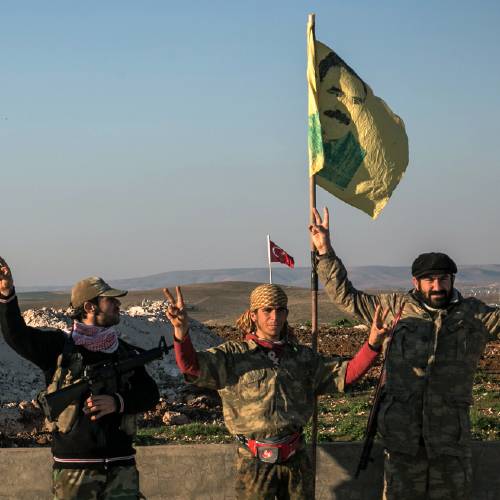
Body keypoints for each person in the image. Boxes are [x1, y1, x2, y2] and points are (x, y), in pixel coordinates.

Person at [309, 207, 500, 500]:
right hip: (402, 442)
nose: (437, 286)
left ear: (452, 280)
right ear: (416, 282)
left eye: (443, 279)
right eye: (430, 280)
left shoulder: (473, 315)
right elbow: (346, 296)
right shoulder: (393, 309)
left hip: (450, 441)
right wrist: (325, 252)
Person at [164, 283, 391, 499]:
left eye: (280, 310)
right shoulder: (233, 356)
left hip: (296, 461)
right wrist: (181, 332)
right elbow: (192, 367)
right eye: (267, 310)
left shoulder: (301, 357)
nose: (275, 317)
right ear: (253, 315)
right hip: (253, 463)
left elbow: (345, 374)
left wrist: (372, 344)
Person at [0, 257, 160, 500]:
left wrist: (118, 402)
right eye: (110, 300)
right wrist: (6, 293)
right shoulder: (60, 348)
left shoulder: (124, 352)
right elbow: (16, 335)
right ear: (89, 307)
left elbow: (150, 394)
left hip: (121, 467)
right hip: (74, 468)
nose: (118, 304)